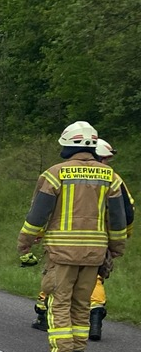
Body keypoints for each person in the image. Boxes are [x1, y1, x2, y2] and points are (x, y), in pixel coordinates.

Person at [17, 121, 129, 352]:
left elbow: (38, 214)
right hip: (94, 252)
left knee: (59, 299)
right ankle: (77, 350)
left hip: (62, 252)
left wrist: (25, 242)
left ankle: (60, 351)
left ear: (66, 145)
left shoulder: (54, 174)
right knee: (82, 301)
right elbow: (118, 218)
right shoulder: (111, 177)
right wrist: (117, 247)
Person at [30, 138, 135, 339]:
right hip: (97, 241)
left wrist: (36, 234)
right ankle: (90, 325)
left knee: (58, 283)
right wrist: (118, 241)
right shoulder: (112, 178)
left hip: (63, 243)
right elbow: (125, 212)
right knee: (88, 287)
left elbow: (47, 211)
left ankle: (48, 320)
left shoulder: (62, 173)